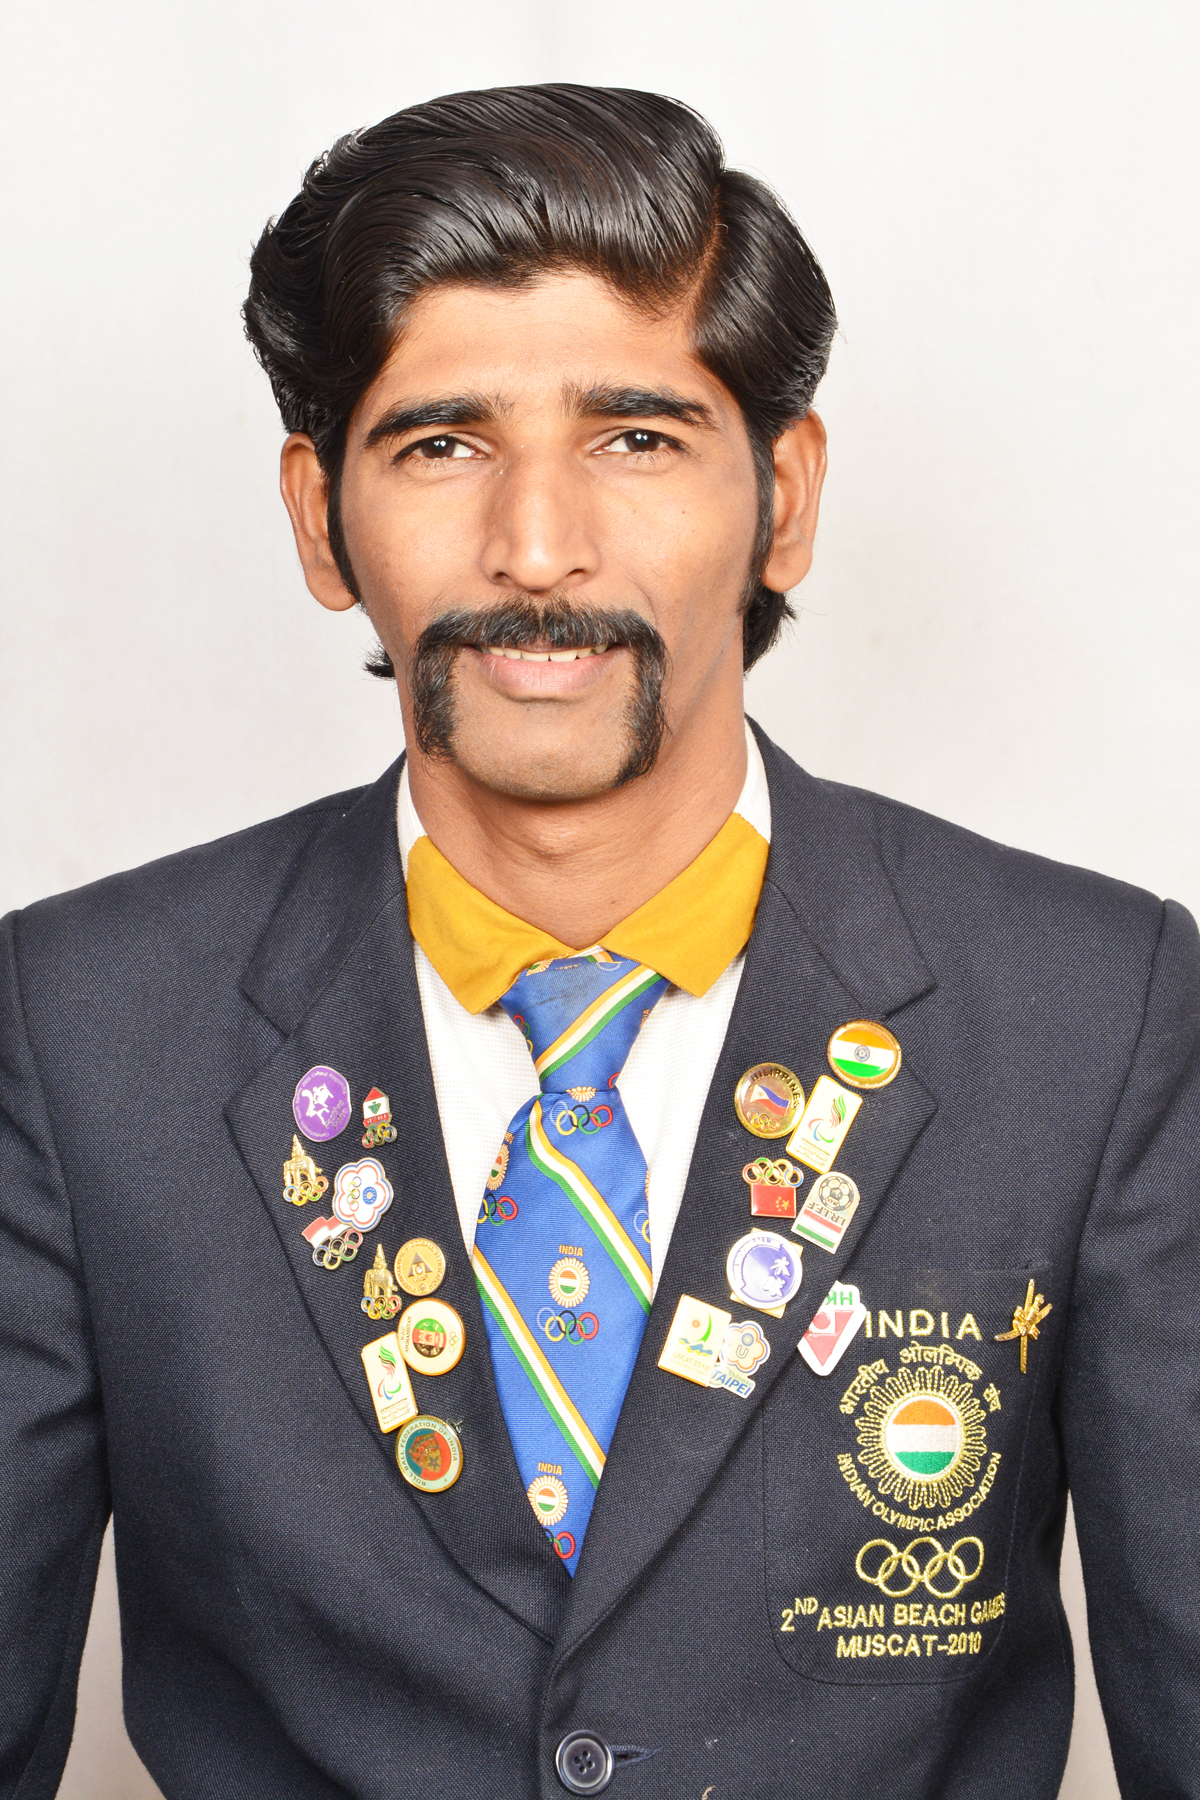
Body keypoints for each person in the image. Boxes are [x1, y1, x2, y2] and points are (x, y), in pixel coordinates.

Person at [1, 82, 1196, 1800]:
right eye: (441, 443)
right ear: (318, 515)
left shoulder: (1097, 1010)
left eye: (637, 437)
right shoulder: (76, 1026)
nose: (538, 548)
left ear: (783, 497)